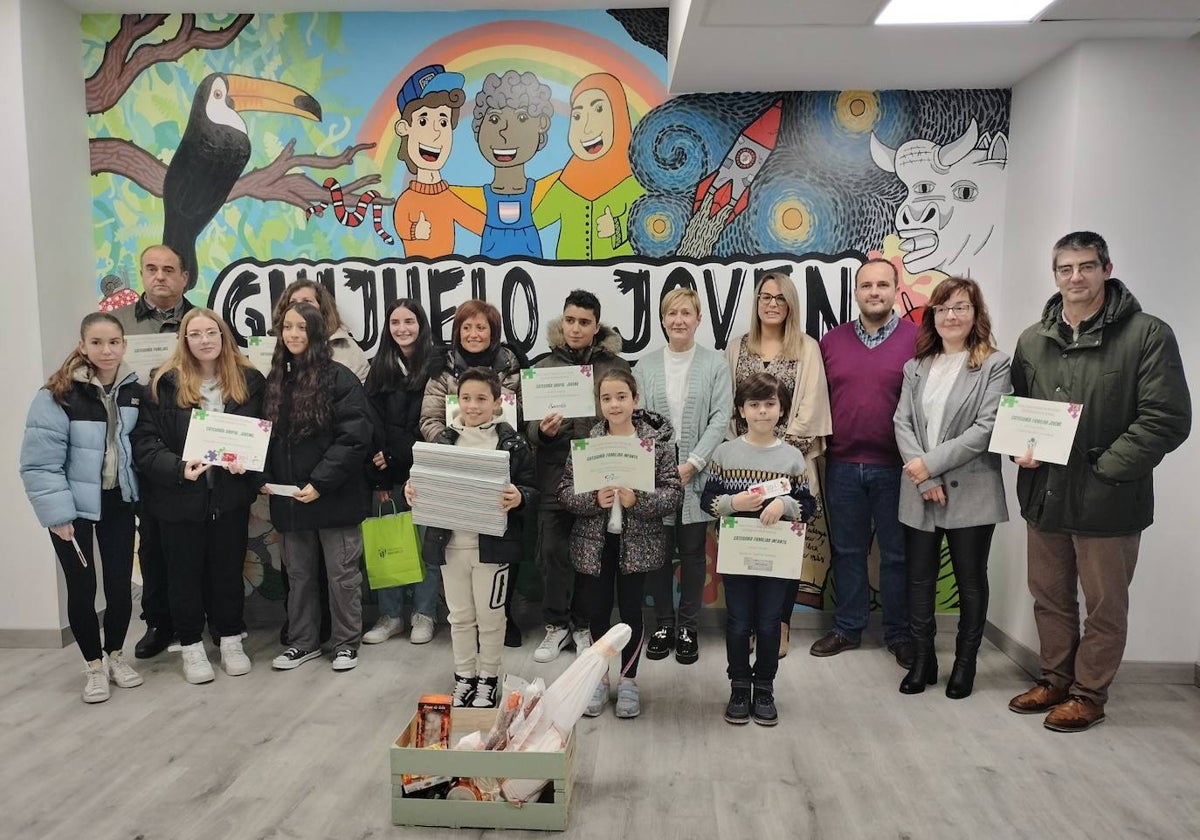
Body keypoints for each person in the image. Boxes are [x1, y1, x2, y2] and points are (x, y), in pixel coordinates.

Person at [1007, 231, 1190, 732]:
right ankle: (1055, 680)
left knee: (1105, 604)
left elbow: (1167, 419)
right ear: (1055, 275)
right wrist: (1022, 450)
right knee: (1049, 595)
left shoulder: (1147, 334)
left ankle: (1089, 694)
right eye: (1065, 269)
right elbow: (1020, 412)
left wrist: (1105, 469)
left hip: (1109, 499)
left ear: (1106, 269)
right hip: (1045, 495)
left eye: (1086, 266)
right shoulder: (1032, 340)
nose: (1076, 278)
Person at [132, 309, 266, 684]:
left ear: (223, 337)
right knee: (183, 576)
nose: (205, 340)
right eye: (196, 334)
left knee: (227, 572)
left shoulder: (250, 381)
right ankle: (191, 645)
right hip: (179, 499)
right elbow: (145, 444)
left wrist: (248, 465)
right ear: (184, 341)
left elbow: (263, 433)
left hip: (230, 498)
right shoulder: (164, 384)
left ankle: (229, 639)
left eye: (212, 332)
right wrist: (178, 467)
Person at [892, 278, 1011, 699]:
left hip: (973, 490)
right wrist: (926, 476)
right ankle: (924, 660)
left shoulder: (995, 364)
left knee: (970, 582)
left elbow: (985, 430)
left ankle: (965, 663)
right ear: (933, 316)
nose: (951, 316)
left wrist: (929, 466)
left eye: (961, 307)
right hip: (920, 488)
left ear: (976, 315)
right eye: (943, 308)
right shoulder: (916, 366)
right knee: (919, 581)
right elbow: (901, 423)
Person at [20, 313, 143, 702]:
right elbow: (39, 463)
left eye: (113, 342)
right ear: (82, 345)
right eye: (97, 342)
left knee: (121, 585)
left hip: (118, 502)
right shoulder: (57, 394)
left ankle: (116, 655)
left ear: (124, 345)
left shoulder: (134, 389)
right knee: (82, 587)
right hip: (73, 510)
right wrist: (57, 516)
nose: (106, 350)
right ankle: (93, 665)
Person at [405, 367, 537, 708]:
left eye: (482, 399)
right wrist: (413, 490)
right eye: (466, 398)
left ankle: (489, 679)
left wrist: (520, 496)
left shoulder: (513, 443)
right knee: (459, 617)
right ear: (456, 402)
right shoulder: (443, 441)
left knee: (491, 618)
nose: (473, 406)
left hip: (493, 550)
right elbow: (424, 482)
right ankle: (464, 677)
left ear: (497, 402)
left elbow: (533, 489)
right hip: (450, 547)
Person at [559, 369, 682, 719]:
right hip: (595, 544)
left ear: (635, 401)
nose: (614, 404)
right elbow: (566, 491)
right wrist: (592, 499)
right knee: (597, 611)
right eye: (606, 398)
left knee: (630, 611)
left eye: (621, 397)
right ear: (599, 404)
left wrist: (638, 500)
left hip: (638, 544)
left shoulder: (653, 445)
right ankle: (599, 679)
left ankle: (628, 680)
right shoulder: (588, 443)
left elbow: (673, 493)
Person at [812, 259, 917, 667]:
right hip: (842, 465)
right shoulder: (831, 342)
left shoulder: (917, 339)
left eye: (882, 285)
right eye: (867, 285)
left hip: (897, 467)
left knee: (895, 554)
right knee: (848, 551)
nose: (875, 292)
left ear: (894, 289)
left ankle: (899, 633)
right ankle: (847, 627)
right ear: (856, 291)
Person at [263, 302, 373, 672]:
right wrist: (261, 477)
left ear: (317, 333)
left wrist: (320, 482)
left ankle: (345, 644)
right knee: (298, 576)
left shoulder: (340, 378)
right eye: (287, 327)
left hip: (334, 497)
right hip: (290, 499)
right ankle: (303, 642)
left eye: (301, 327)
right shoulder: (276, 380)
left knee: (342, 576)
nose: (293, 334)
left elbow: (354, 439)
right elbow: (265, 436)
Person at [702, 373, 817, 726]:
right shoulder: (725, 453)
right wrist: (733, 501)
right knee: (737, 624)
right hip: (737, 557)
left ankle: (764, 686)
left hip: (777, 559)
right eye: (754, 405)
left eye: (770, 405)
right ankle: (739, 685)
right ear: (741, 410)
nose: (762, 412)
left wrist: (784, 505)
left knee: (769, 624)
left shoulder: (793, 458)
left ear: (781, 410)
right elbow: (708, 500)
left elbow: (809, 506)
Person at [726, 271, 831, 655]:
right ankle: (752, 626)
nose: (772, 303)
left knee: (785, 549)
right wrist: (747, 454)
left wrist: (777, 457)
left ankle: (780, 625)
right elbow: (728, 406)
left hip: (790, 468)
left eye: (780, 298)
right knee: (750, 548)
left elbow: (811, 407)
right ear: (757, 303)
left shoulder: (806, 348)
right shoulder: (737, 347)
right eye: (765, 297)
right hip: (743, 471)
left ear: (791, 305)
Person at [528, 290, 629, 663]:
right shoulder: (542, 368)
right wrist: (545, 432)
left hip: (598, 476)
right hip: (554, 476)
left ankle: (584, 625)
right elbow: (527, 430)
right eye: (569, 320)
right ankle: (555, 626)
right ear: (562, 321)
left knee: (591, 555)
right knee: (552, 553)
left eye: (584, 322)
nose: (575, 328)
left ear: (596, 326)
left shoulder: (616, 366)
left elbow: (628, 413)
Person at [636, 287, 732, 665]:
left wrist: (693, 462)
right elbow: (639, 418)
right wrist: (662, 466)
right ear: (662, 320)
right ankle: (663, 624)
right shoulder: (645, 366)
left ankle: (688, 626)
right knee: (658, 553)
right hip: (655, 474)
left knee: (693, 553)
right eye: (671, 313)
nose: (678, 320)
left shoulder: (715, 363)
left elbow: (720, 417)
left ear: (698, 319)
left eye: (686, 313)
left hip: (698, 472)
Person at [421, 298, 525, 645]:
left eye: (481, 327)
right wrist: (453, 448)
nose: (474, 333)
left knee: (499, 551)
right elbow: (429, 418)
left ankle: (502, 618)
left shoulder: (511, 365)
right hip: (455, 471)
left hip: (501, 469)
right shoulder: (441, 367)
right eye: (466, 327)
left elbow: (521, 415)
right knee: (460, 557)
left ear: (493, 331)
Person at [111, 244, 195, 660]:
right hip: (140, 450)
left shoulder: (201, 322)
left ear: (184, 277)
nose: (160, 276)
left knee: (198, 543)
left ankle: (202, 620)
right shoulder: (119, 324)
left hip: (195, 446)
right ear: (141, 274)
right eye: (151, 269)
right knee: (153, 543)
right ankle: (159, 622)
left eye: (169, 270)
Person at [363, 299, 446, 645]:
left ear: (421, 324)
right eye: (395, 322)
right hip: (387, 475)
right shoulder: (378, 366)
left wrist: (399, 455)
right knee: (389, 544)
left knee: (427, 545)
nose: (402, 329)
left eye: (409, 321)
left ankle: (424, 613)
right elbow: (368, 419)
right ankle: (391, 614)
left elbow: (434, 419)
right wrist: (380, 467)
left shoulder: (437, 363)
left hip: (426, 469)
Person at [532, 72, 645, 260]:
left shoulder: (633, 182)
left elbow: (650, 223)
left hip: (617, 277)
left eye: (599, 109)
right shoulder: (566, 183)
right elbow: (537, 220)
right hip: (569, 278)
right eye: (577, 116)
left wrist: (617, 228)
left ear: (618, 115)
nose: (586, 128)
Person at [391, 64, 484, 259]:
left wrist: (503, 229)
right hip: (417, 275)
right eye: (423, 121)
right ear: (404, 128)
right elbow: (401, 223)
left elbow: (475, 221)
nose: (435, 133)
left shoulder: (447, 197)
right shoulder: (408, 199)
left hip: (447, 273)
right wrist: (414, 231)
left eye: (443, 122)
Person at [472, 70, 554, 259]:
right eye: (494, 119)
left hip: (531, 262)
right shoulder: (480, 196)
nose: (505, 131)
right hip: (491, 267)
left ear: (541, 123)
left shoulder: (541, 190)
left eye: (522, 118)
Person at [270, 279, 369, 383]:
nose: (299, 307)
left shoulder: (341, 346)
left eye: (307, 301)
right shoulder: (283, 345)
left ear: (322, 308)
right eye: (292, 302)